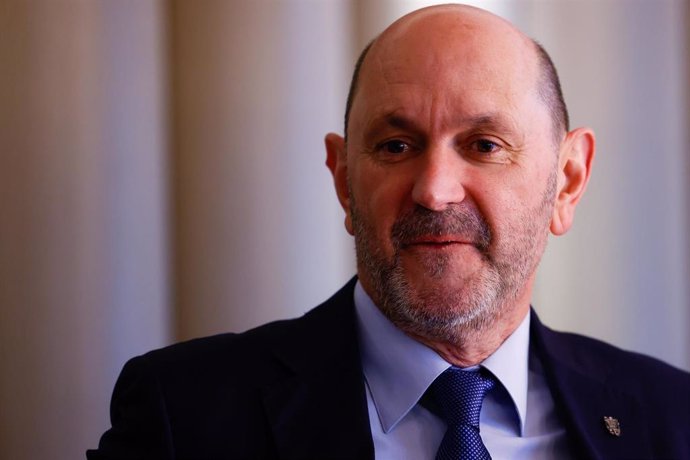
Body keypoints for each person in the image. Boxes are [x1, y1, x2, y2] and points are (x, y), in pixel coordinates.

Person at [87, 4, 690, 459]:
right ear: (345, 181)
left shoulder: (670, 419)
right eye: (396, 145)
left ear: (566, 181)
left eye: (484, 145)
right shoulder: (182, 415)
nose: (434, 189)